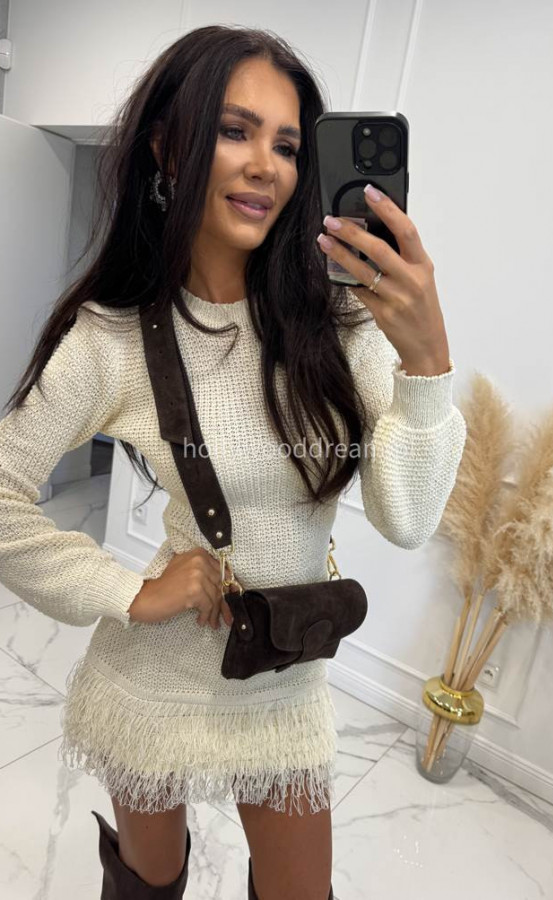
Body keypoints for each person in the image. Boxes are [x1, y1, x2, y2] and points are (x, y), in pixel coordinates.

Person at [0, 24, 467, 900]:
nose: (266, 166)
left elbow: (408, 521)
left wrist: (427, 362)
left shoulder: (341, 324)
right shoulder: (112, 340)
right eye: (234, 130)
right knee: (148, 885)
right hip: (155, 677)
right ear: (168, 147)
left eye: (287, 145)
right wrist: (129, 590)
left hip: (286, 678)